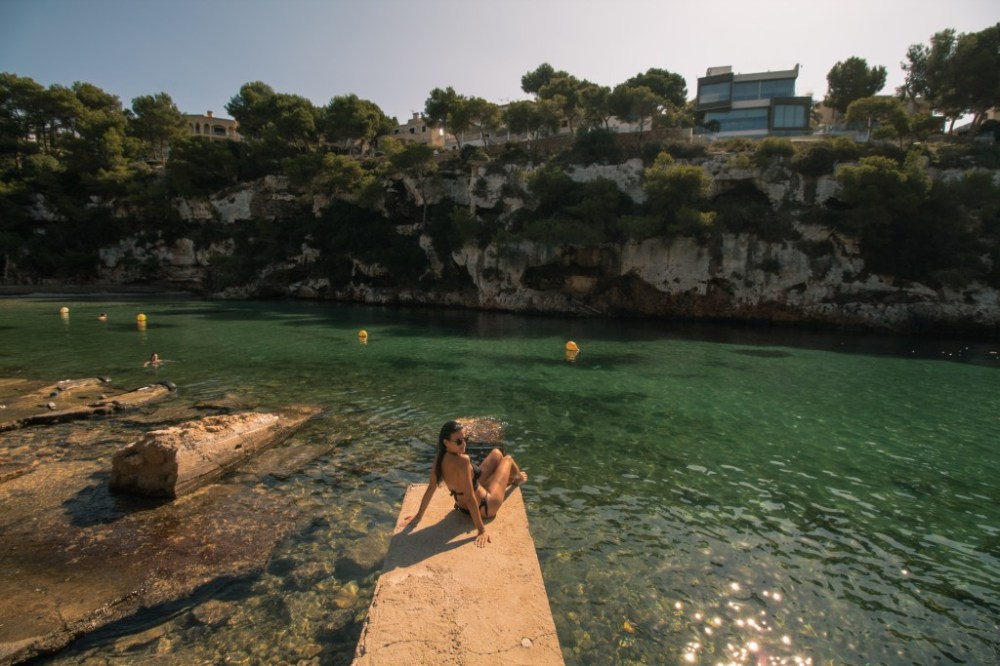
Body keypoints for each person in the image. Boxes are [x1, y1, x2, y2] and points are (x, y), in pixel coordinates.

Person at [403, 420, 527, 547]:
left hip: (462, 507)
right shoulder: (463, 461)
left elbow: (431, 488)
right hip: (486, 506)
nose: (464, 444)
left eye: (465, 439)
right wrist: (481, 530)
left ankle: (504, 480)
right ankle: (518, 479)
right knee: (508, 459)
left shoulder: (439, 458)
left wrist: (418, 517)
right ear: (446, 442)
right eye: (458, 441)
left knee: (496, 453)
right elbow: (470, 498)